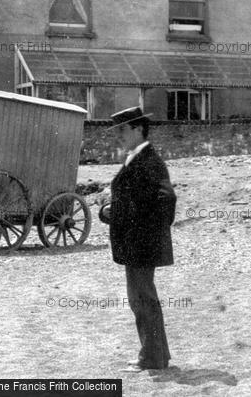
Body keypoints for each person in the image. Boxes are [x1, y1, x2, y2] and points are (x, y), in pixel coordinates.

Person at [99, 107, 176, 372]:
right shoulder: (136, 158)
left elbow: (166, 200)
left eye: (122, 130)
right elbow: (133, 199)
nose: (118, 136)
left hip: (141, 244)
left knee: (142, 299)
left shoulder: (149, 160)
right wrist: (112, 211)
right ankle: (158, 355)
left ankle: (152, 358)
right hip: (136, 243)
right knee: (142, 299)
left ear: (137, 129)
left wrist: (143, 229)